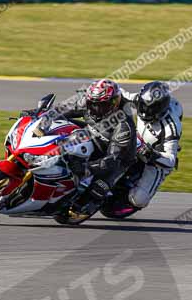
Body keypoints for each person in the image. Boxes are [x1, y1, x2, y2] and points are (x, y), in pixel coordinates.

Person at [37, 78, 137, 216]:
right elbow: (62, 110)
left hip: (117, 157)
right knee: (61, 126)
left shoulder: (123, 125)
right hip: (93, 133)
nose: (97, 109)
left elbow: (112, 160)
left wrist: (87, 168)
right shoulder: (87, 102)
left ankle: (88, 203)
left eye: (103, 105)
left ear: (115, 102)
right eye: (93, 104)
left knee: (97, 189)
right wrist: (39, 116)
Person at [121, 81, 183, 209]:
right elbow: (120, 93)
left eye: (151, 109)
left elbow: (170, 160)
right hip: (135, 140)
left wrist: (152, 155)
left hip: (155, 158)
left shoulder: (171, 127)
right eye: (143, 106)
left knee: (138, 200)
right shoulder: (140, 99)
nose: (145, 112)